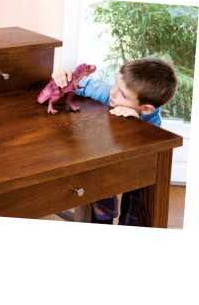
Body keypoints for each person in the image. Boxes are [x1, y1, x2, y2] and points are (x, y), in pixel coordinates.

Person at [52, 58, 177, 226]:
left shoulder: (152, 120)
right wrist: (63, 77)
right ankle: (102, 216)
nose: (113, 93)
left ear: (146, 109)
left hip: (135, 167)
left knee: (139, 191)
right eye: (115, 84)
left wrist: (136, 123)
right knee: (100, 176)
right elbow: (78, 83)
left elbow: (153, 151)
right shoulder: (107, 93)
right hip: (105, 159)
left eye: (123, 95)